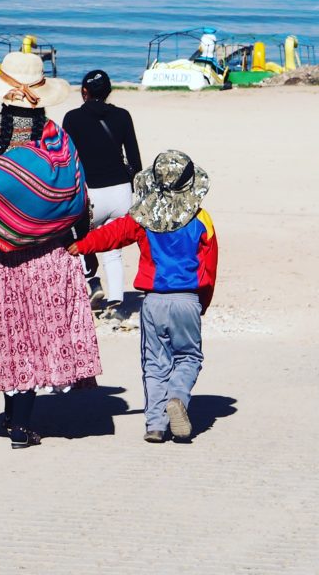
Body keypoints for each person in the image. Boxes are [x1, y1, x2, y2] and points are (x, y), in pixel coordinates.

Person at [0, 51, 102, 449]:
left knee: (6, 333)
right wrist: (82, 246)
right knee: (32, 334)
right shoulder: (56, 139)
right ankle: (21, 424)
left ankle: (12, 417)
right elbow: (76, 195)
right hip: (44, 256)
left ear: (1, 96)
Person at [68, 150, 218, 443]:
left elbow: (110, 234)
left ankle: (155, 425)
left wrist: (80, 246)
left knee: (154, 362)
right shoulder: (203, 219)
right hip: (187, 298)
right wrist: (203, 303)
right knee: (188, 357)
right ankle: (177, 397)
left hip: (152, 302)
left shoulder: (142, 217)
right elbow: (209, 267)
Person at [62, 69, 141, 316]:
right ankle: (116, 302)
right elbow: (136, 162)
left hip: (91, 192)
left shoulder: (72, 118)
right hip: (121, 191)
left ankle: (93, 282)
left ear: (84, 92)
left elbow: (68, 161)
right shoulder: (123, 116)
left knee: (79, 241)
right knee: (113, 248)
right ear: (108, 92)